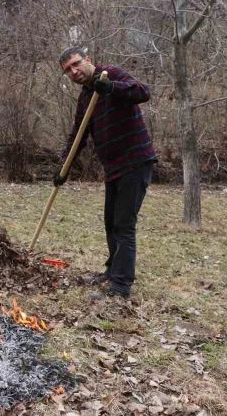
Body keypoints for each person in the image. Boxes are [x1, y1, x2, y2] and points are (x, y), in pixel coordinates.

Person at [53, 47, 157, 299]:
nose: (74, 71)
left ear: (88, 60)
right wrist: (63, 169)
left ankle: (121, 285)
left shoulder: (111, 74)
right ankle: (113, 271)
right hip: (113, 168)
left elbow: (143, 92)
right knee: (111, 222)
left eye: (76, 64)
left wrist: (110, 87)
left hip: (136, 161)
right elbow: (78, 136)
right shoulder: (85, 98)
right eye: (68, 70)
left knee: (123, 224)